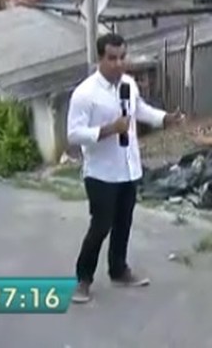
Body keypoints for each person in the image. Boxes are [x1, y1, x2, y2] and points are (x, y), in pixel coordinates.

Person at [66, 33, 185, 303]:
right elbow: (74, 134)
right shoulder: (85, 94)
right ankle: (83, 280)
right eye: (112, 58)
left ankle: (118, 270)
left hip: (128, 169)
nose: (118, 64)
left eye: (122, 57)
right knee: (100, 226)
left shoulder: (128, 85)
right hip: (101, 173)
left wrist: (165, 118)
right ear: (100, 58)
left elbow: (139, 110)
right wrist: (109, 130)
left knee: (124, 223)